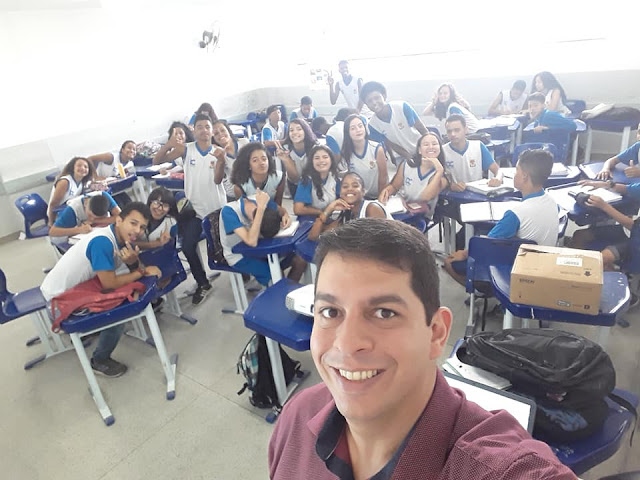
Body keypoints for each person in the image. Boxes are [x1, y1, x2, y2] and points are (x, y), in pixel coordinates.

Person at [269, 218, 576, 480]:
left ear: (436, 333)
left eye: (384, 313)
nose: (347, 343)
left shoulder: (494, 467)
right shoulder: (298, 415)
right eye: (330, 312)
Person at [41, 202, 162, 378]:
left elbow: (124, 272)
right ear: (119, 220)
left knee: (129, 290)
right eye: (133, 223)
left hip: (76, 290)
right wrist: (140, 271)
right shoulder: (103, 242)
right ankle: (99, 360)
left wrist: (135, 266)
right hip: (60, 300)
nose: (137, 231)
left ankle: (97, 331)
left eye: (142, 227)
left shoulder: (121, 239)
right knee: (120, 310)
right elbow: (110, 284)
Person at [444, 149, 559, 286]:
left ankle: (486, 289)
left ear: (524, 176)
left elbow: (484, 246)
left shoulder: (516, 213)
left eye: (517, 170)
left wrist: (462, 254)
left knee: (450, 262)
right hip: (544, 267)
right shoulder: (553, 203)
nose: (514, 174)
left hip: (517, 271)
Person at [152, 113, 227, 304]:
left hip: (217, 209)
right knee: (187, 246)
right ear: (194, 129)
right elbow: (156, 161)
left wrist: (221, 162)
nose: (204, 130)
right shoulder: (186, 150)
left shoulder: (218, 152)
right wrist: (169, 144)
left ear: (211, 130)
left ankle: (241, 274)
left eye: (207, 127)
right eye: (199, 126)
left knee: (225, 246)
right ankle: (203, 282)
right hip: (195, 210)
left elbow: (218, 180)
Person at [219, 189, 305, 286]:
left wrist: (286, 216)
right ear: (252, 223)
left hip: (262, 248)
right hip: (239, 256)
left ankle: (287, 291)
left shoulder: (262, 200)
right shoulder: (229, 211)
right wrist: (260, 209)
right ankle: (280, 293)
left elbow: (283, 211)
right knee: (275, 274)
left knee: (300, 259)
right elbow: (251, 241)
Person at [570, 178, 640, 272]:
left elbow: (634, 227)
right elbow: (628, 189)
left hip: (636, 241)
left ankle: (617, 280)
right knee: (579, 236)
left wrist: (604, 206)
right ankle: (573, 273)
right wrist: (606, 185)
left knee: (601, 259)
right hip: (628, 230)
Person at [378, 132, 448, 217]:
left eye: (434, 144)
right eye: (426, 144)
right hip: (401, 209)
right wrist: (386, 192)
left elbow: (425, 197)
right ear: (419, 150)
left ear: (440, 148)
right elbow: (394, 186)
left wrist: (439, 170)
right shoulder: (407, 164)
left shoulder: (442, 176)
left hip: (420, 215)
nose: (431, 147)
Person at [308, 172, 389, 241]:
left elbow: (380, 244)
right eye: (345, 186)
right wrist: (329, 209)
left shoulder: (372, 208)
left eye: (355, 186)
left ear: (363, 191)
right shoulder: (347, 213)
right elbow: (314, 236)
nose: (350, 189)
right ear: (340, 193)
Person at [360, 81, 428, 162]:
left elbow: (422, 130)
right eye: (369, 101)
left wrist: (427, 148)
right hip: (401, 155)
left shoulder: (402, 107)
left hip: (421, 147)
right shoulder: (372, 126)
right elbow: (391, 145)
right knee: (405, 171)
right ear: (366, 105)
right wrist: (409, 158)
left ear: (384, 96)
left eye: (377, 98)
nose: (374, 103)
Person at [443, 114, 503, 192]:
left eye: (457, 130)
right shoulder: (443, 151)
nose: (453, 134)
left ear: (466, 129)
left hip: (477, 194)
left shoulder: (478, 146)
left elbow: (498, 170)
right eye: (449, 131)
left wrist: (498, 178)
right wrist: (450, 186)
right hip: (454, 195)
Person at [231, 143, 289, 219]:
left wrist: (285, 216)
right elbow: (243, 212)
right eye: (255, 160)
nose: (261, 163)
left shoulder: (278, 178)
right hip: (251, 218)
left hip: (271, 216)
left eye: (264, 159)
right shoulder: (240, 186)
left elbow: (277, 207)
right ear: (248, 165)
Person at [341, 114, 388, 199]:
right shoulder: (347, 152)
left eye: (360, 126)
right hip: (359, 197)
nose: (358, 130)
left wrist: (380, 198)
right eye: (353, 128)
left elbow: (383, 177)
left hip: (377, 196)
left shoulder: (377, 148)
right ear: (347, 132)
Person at [49, 191, 121, 246]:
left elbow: (121, 217)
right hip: (72, 238)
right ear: (86, 204)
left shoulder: (104, 196)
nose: (92, 218)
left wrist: (95, 221)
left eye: (97, 217)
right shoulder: (73, 209)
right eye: (90, 215)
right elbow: (53, 232)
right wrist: (79, 229)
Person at [294, 145, 341, 217]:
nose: (321, 161)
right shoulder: (306, 180)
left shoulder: (335, 178)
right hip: (311, 220)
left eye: (325, 157)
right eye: (317, 158)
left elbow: (340, 199)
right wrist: (323, 212)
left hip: (331, 217)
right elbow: (298, 209)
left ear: (331, 160)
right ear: (311, 162)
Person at [47, 156, 95, 224]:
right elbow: (54, 204)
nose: (82, 168)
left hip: (71, 211)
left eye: (85, 167)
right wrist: (51, 222)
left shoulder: (81, 183)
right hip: (59, 215)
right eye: (79, 165)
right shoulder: (65, 182)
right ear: (73, 168)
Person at [275, 118, 318, 192]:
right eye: (291, 130)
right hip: (295, 186)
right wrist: (286, 159)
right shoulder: (285, 150)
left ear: (306, 131)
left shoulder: (315, 148)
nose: (295, 132)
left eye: (299, 129)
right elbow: (295, 179)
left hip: (315, 185)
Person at [212, 119, 249, 200]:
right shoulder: (216, 154)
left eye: (222, 130)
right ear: (213, 138)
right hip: (233, 195)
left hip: (252, 189)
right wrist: (220, 161)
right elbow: (217, 180)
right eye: (216, 133)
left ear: (228, 130)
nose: (220, 134)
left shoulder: (244, 143)